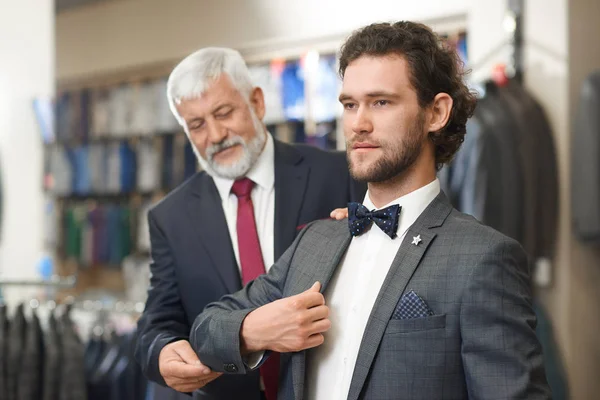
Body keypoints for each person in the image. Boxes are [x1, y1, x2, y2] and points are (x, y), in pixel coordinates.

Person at [190, 22, 552, 400]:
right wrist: (254, 331)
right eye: (350, 105)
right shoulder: (315, 241)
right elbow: (206, 328)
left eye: (381, 102)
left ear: (436, 112)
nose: (358, 124)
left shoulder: (483, 257)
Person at [134, 47, 365, 400]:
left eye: (223, 113)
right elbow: (158, 323)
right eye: (196, 125)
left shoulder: (338, 174)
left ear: (257, 102)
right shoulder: (170, 216)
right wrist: (162, 353)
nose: (214, 135)